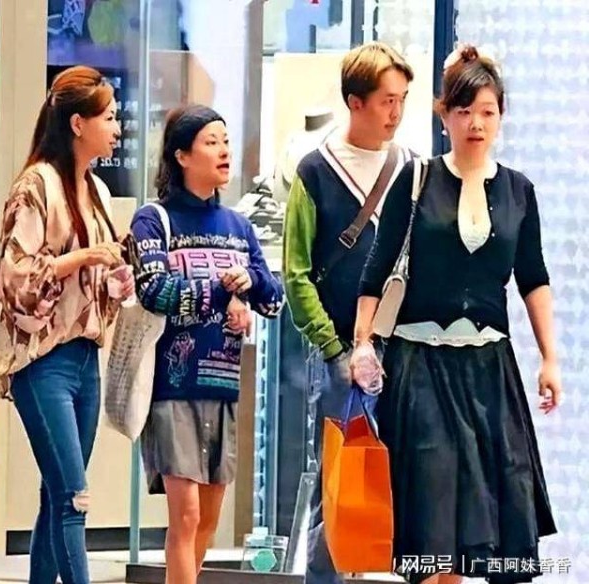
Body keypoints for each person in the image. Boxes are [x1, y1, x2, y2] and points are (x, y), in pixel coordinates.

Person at [353, 45, 560, 584]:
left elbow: (533, 277)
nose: (476, 123)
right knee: (433, 508)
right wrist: (361, 343)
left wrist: (550, 359)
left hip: (490, 369)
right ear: (444, 115)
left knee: (488, 511)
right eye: (464, 111)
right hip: (420, 365)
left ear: (501, 116)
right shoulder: (416, 178)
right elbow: (376, 269)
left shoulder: (518, 190)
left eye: (487, 111)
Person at [131, 104, 284, 584]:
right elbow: (154, 290)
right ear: (181, 155)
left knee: (209, 523)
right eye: (211, 142)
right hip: (171, 386)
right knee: (187, 515)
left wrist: (250, 285)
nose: (224, 151)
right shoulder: (153, 220)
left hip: (223, 385)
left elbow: (274, 299)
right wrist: (222, 290)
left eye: (226, 141)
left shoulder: (238, 226)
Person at [282, 42, 415, 584]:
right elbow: (296, 272)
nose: (396, 112)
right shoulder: (315, 170)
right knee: (339, 483)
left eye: (402, 99)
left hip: (405, 347)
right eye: (386, 100)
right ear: (355, 102)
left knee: (404, 476)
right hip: (339, 349)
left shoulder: (411, 168)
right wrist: (334, 348)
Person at [0, 66, 134, 584]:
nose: (117, 127)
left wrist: (114, 281)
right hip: (43, 362)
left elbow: (95, 284)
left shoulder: (96, 189)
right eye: (109, 117)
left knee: (56, 497)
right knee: (74, 497)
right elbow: (15, 276)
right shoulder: (36, 185)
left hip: (85, 359)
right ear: (78, 124)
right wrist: (84, 258)